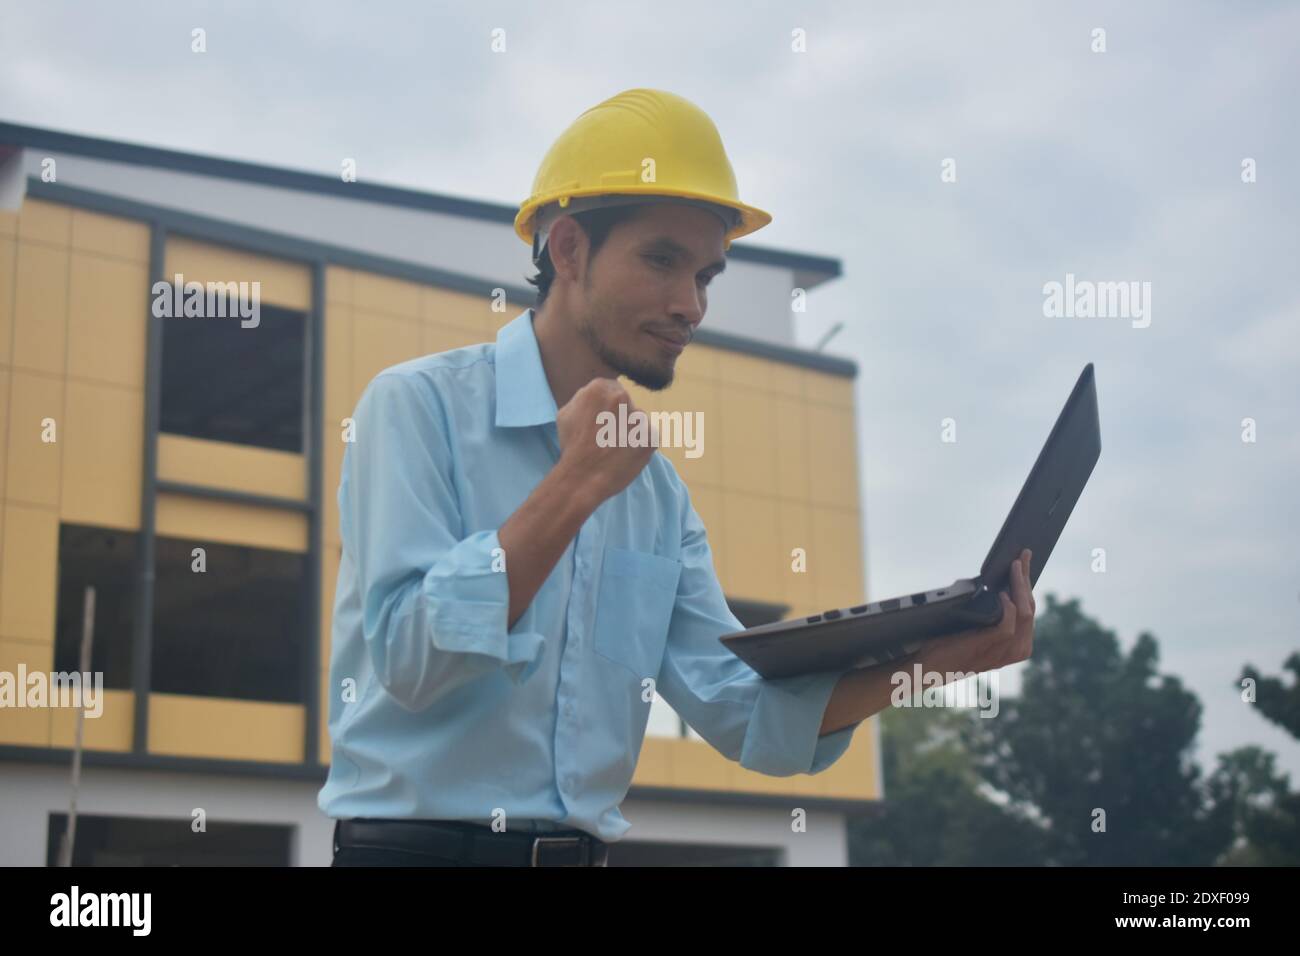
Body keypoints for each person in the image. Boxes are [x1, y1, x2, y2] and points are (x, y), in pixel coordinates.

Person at [320, 88, 1037, 867]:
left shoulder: (658, 497)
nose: (690, 304)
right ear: (567, 250)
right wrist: (574, 486)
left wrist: (933, 666)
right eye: (662, 260)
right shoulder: (415, 407)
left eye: (706, 276)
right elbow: (409, 660)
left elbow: (746, 713)